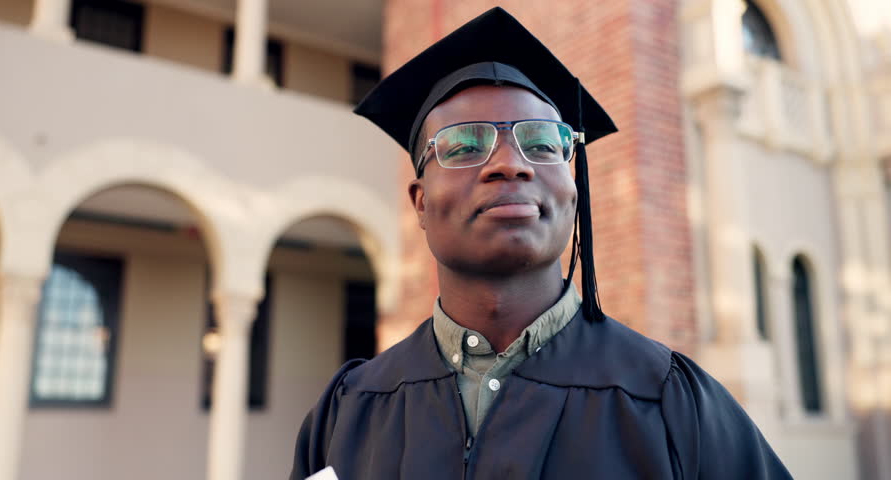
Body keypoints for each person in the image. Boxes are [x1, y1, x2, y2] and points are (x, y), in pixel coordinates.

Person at [290, 7, 791, 480]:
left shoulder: (670, 402)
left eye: (543, 143)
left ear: (573, 191)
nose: (511, 162)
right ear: (420, 203)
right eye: (465, 145)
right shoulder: (348, 412)